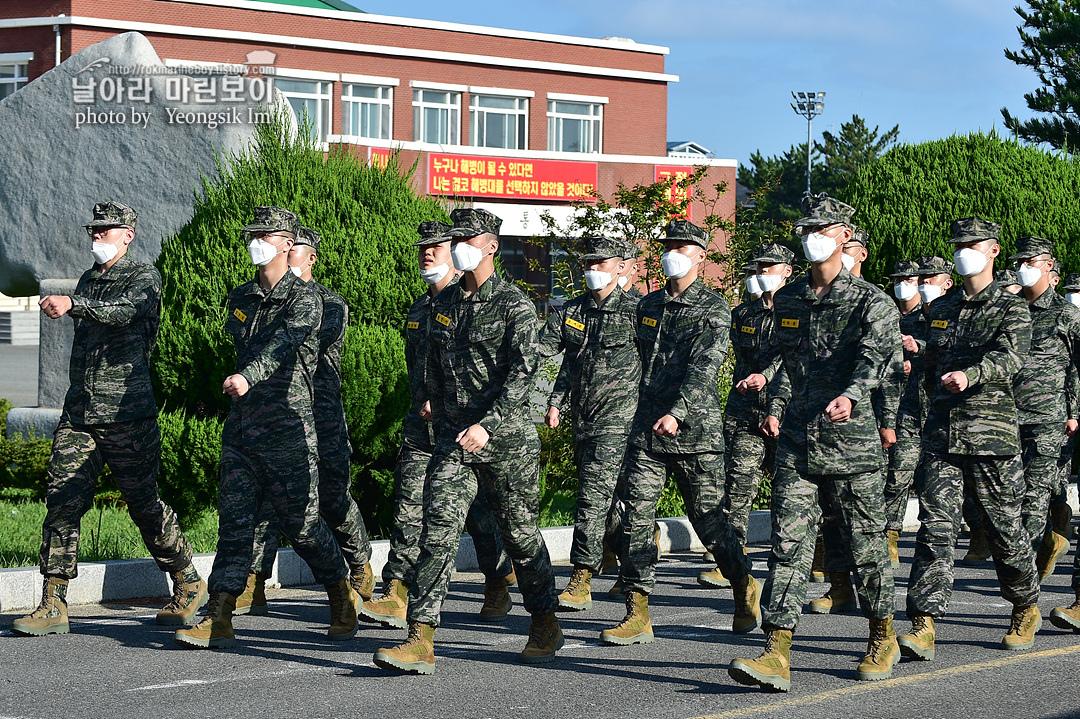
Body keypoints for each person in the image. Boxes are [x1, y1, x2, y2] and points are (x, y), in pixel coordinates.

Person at [372, 209, 562, 674]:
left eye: (467, 238)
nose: (459, 245)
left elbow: (524, 374)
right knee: (437, 532)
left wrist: (490, 424)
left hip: (506, 442)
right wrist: (434, 410)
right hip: (455, 441)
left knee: (519, 537)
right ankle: (420, 639)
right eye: (454, 237)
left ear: (491, 245)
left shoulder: (514, 305)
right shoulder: (443, 304)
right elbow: (433, 367)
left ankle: (544, 621)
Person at [729, 195, 899, 692]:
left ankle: (881, 634)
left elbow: (875, 361)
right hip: (800, 442)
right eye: (806, 228)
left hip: (852, 444)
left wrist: (852, 393)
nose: (811, 236)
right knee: (788, 545)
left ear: (845, 235)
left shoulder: (872, 303)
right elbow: (786, 367)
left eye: (822, 228)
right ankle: (776, 650)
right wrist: (777, 407)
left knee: (865, 546)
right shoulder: (789, 300)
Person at [13, 202, 205, 637]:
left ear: (128, 235)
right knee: (63, 500)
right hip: (80, 412)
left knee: (144, 506)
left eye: (106, 230)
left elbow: (122, 313)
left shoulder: (144, 278)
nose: (97, 236)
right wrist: (77, 299)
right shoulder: (88, 278)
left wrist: (74, 303)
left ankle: (188, 580)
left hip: (126, 415)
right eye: (93, 229)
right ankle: (53, 602)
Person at [174, 206, 355, 649]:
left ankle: (340, 592)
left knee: (304, 526)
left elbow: (282, 344)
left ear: (288, 245)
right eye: (252, 233)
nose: (255, 240)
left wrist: (248, 376)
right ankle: (219, 614)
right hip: (242, 430)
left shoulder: (306, 300)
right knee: (234, 525)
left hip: (287, 430)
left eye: (264, 234)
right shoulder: (241, 297)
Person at [603, 219, 758, 647]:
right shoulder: (647, 305)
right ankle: (637, 611)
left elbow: (705, 369)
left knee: (708, 522)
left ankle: (743, 581)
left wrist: (677, 411)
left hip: (694, 432)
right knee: (636, 517)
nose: (674, 252)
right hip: (646, 431)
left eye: (684, 246)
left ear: (701, 256)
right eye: (669, 245)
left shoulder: (713, 309)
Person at [897, 217, 1039, 663]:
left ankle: (1025, 604)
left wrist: (971, 374)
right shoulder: (940, 309)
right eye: (958, 244)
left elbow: (1010, 357)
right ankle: (923, 622)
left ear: (994, 251)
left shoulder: (1012, 308)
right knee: (935, 529)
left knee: (1003, 530)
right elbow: (928, 362)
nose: (963, 252)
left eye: (972, 244)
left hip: (990, 434)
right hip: (941, 434)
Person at [361, 221, 515, 630]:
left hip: (461, 428)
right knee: (409, 506)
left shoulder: (466, 302)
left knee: (480, 513)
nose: (426, 254)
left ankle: (498, 580)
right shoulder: (419, 309)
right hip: (421, 427)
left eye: (436, 247)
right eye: (422, 248)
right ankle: (397, 591)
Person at [234, 226, 376, 617]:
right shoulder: (256, 298)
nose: (286, 255)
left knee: (328, 497)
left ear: (309, 257)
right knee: (262, 500)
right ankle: (252, 580)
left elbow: (293, 348)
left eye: (294, 250)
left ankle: (359, 563)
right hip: (272, 412)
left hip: (321, 412)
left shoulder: (327, 304)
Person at [537, 236, 640, 612]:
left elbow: (657, 364)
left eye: (601, 263)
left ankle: (581, 577)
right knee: (606, 502)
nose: (593, 270)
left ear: (619, 266)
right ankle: (636, 556)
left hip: (621, 420)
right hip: (583, 419)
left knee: (590, 498)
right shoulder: (572, 311)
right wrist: (555, 401)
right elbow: (554, 354)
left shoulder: (637, 311)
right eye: (589, 264)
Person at [809, 227, 904, 616]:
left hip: (858, 429)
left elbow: (886, 368)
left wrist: (888, 421)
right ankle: (838, 586)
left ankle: (881, 624)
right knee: (828, 518)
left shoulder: (873, 303)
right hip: (811, 429)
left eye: (847, 249)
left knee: (863, 530)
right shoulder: (801, 300)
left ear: (858, 253)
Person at [701, 244, 792, 590]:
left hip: (787, 412)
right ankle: (732, 561)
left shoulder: (799, 310)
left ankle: (796, 561)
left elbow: (790, 358)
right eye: (758, 267)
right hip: (745, 412)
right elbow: (739, 359)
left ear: (787, 271)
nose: (761, 273)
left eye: (769, 267)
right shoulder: (744, 315)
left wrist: (767, 380)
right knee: (737, 485)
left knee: (789, 493)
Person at [1009, 236, 1080, 582]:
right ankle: (1050, 542)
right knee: (1006, 501)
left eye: (1029, 261)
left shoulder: (1067, 315)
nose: (1022, 268)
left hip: (1047, 419)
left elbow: (1077, 367)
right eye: (1018, 262)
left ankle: (1027, 586)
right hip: (1005, 418)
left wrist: (1074, 412)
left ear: (1048, 265)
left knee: (1034, 499)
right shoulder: (1008, 310)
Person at [883, 256, 954, 567]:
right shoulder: (905, 321)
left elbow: (951, 350)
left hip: (943, 412)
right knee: (898, 473)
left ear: (947, 283)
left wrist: (920, 351)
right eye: (919, 279)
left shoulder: (954, 315)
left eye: (930, 278)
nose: (924, 284)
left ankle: (968, 535)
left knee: (937, 484)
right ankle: (890, 537)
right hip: (909, 409)